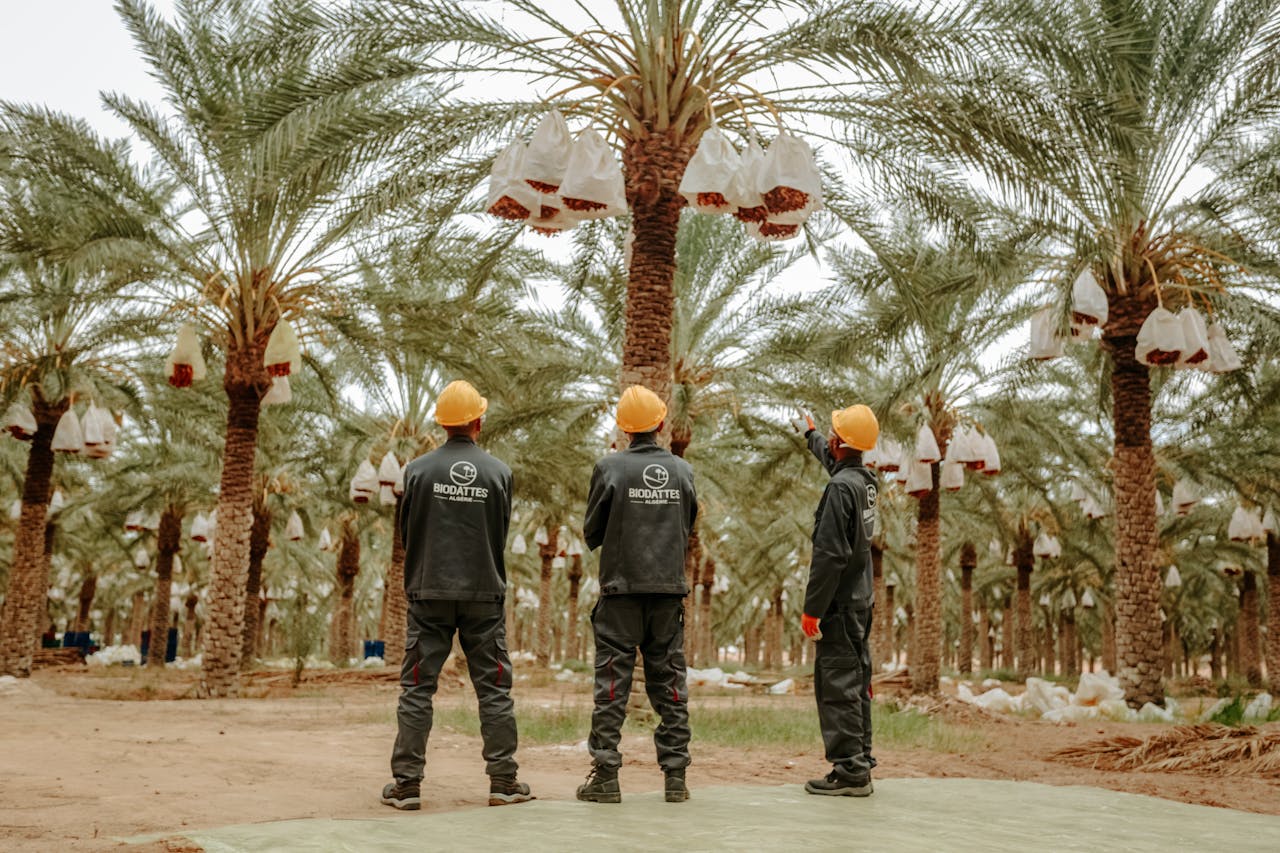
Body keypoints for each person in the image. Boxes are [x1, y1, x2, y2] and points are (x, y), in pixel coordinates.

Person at [381, 380, 533, 810]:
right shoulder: (499, 473)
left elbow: (407, 530)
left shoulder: (417, 471)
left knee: (416, 688)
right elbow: (500, 529)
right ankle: (503, 782)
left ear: (442, 424)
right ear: (479, 422)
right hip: (484, 594)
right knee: (494, 689)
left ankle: (406, 787)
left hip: (428, 592)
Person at [576, 385, 697, 805]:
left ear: (623, 428)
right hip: (668, 594)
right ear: (661, 422)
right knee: (671, 685)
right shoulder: (683, 471)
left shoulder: (609, 468)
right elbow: (688, 524)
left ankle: (605, 777)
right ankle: (676, 779)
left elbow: (592, 532)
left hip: (620, 594)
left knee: (612, 686)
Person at [796, 404, 879, 796]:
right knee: (857, 681)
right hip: (861, 601)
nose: (828, 437)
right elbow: (837, 465)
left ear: (839, 442)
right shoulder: (864, 481)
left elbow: (829, 555)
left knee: (838, 685)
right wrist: (811, 436)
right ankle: (861, 757)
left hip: (840, 606)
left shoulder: (839, 489)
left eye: (831, 433)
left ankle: (850, 771)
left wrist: (812, 610)